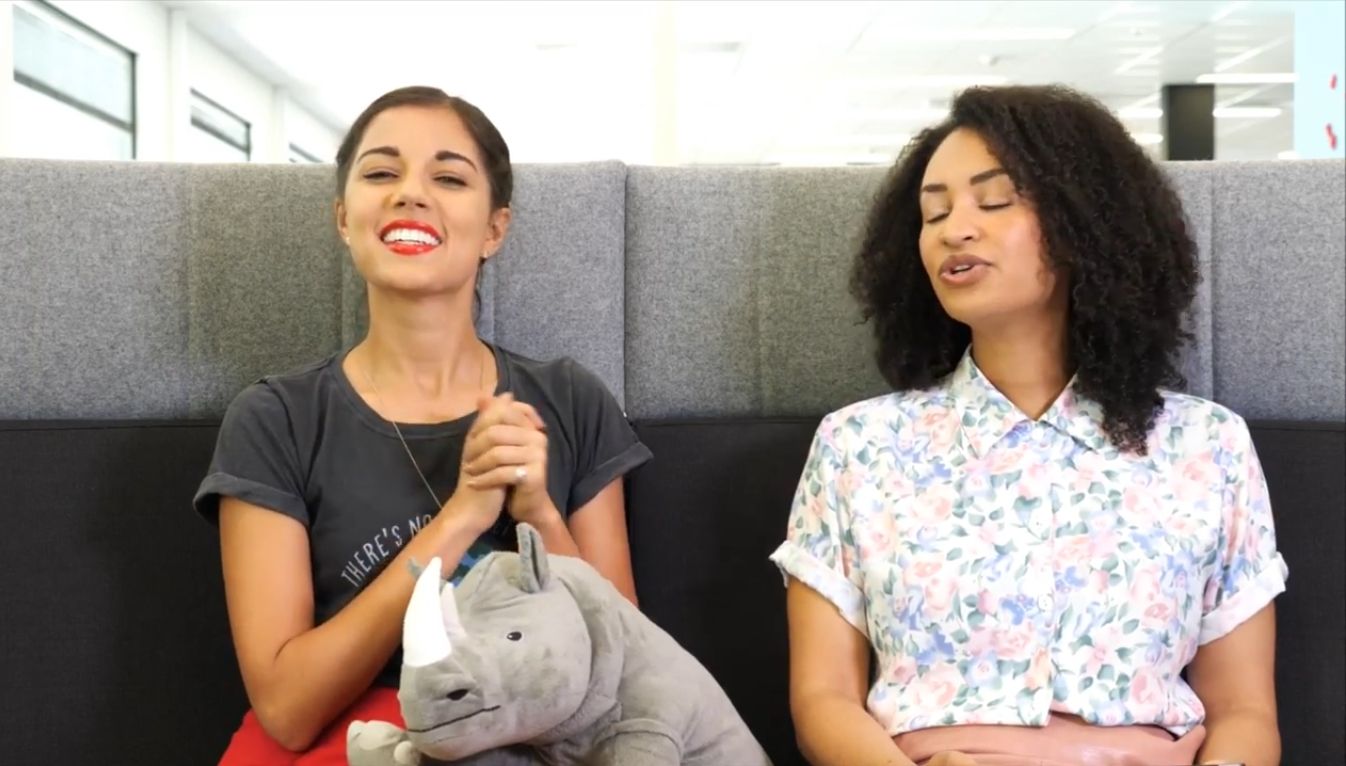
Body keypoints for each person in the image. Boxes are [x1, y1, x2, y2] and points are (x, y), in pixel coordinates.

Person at [771, 85, 1286, 766]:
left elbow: (1245, 711)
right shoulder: (857, 447)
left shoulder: (1208, 445)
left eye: (993, 202)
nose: (955, 229)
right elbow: (822, 702)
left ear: (1083, 223)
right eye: (934, 213)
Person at [194, 85, 652, 765]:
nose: (410, 193)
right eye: (382, 173)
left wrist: (539, 514)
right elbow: (287, 709)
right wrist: (460, 519)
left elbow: (631, 672)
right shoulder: (275, 419)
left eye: (449, 178)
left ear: (494, 229)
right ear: (344, 217)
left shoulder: (568, 399)